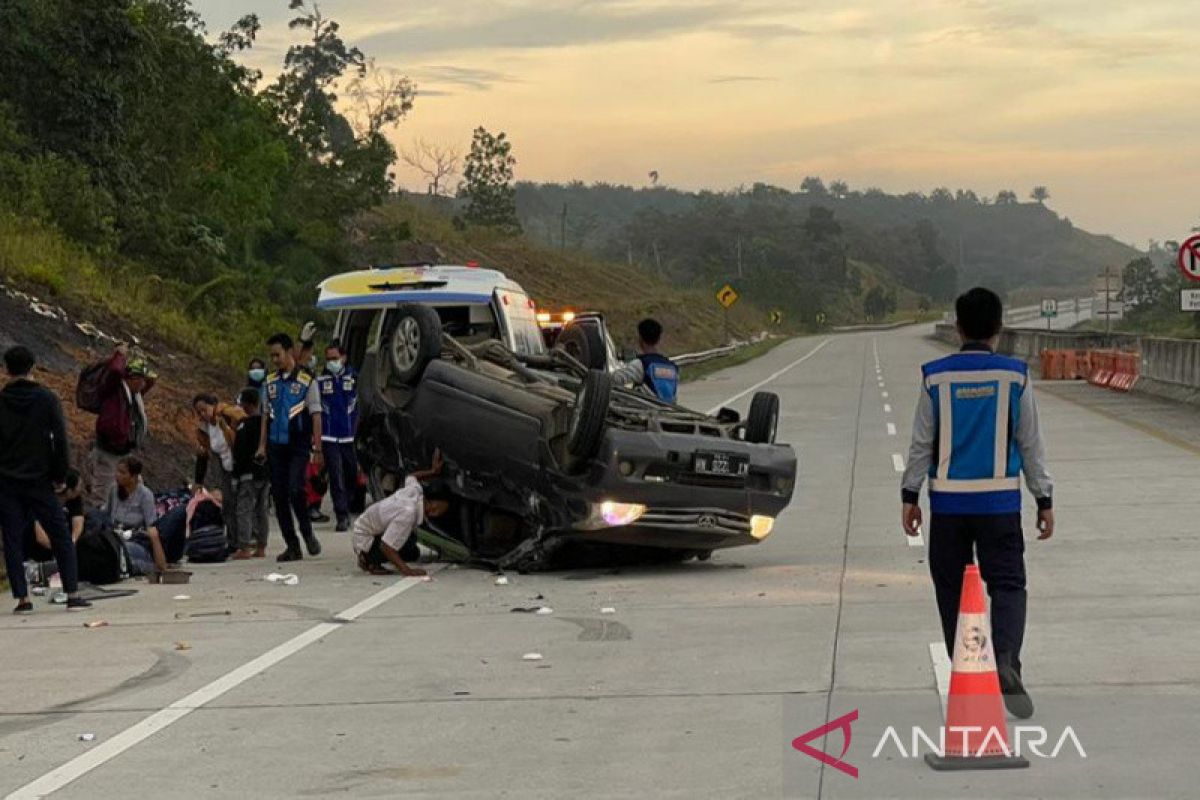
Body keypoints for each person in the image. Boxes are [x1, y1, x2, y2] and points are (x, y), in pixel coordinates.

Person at [901, 287, 1054, 720]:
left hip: (949, 506)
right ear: (998, 328)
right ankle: (1005, 657)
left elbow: (921, 443)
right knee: (1008, 584)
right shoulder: (1015, 376)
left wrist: (910, 495)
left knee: (952, 589)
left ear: (959, 327)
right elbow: (1030, 443)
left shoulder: (935, 377)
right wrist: (1043, 497)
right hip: (999, 504)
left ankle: (970, 670)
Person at [0, 346, 91, 612]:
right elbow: (60, 440)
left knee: (12, 539)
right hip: (40, 479)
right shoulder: (47, 399)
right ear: (32, 367)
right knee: (60, 535)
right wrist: (60, 476)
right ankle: (72, 592)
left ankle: (22, 598)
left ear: (7, 369)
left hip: (6, 480)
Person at [258, 332, 324, 562]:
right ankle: (292, 545)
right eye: (272, 356)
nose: (274, 360)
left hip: (298, 445)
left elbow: (316, 415)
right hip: (276, 446)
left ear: (289, 353)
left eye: (277, 355)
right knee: (279, 495)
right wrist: (262, 446)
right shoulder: (269, 382)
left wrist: (318, 448)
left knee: (296, 489)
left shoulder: (307, 381)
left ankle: (307, 533)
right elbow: (265, 415)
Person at [352, 452, 448, 577]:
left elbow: (411, 477)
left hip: (365, 526)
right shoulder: (408, 513)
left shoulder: (415, 491)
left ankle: (370, 555)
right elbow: (386, 546)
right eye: (439, 511)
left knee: (412, 550)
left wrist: (432, 472)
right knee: (404, 550)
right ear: (433, 507)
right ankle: (369, 560)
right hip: (365, 538)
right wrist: (407, 571)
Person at [93, 344, 155, 498]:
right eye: (141, 380)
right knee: (103, 495)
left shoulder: (134, 395)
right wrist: (120, 354)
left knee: (137, 491)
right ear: (132, 379)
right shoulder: (114, 389)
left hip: (125, 452)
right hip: (108, 452)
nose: (144, 384)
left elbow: (153, 379)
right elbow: (115, 370)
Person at [192, 393, 244, 551]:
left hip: (240, 464)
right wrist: (198, 481)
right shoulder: (204, 429)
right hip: (224, 467)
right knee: (227, 504)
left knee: (242, 504)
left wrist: (225, 414)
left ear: (213, 405)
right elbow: (203, 455)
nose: (202, 414)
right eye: (199, 412)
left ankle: (247, 540)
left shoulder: (226, 415)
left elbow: (242, 418)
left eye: (204, 409)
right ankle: (233, 541)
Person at [317, 339, 359, 531]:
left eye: (334, 358)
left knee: (351, 474)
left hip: (348, 436)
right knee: (336, 475)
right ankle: (341, 515)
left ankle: (348, 504)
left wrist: (356, 430)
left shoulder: (353, 378)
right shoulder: (321, 381)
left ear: (343, 357)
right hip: (329, 436)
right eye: (328, 359)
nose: (331, 362)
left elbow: (358, 406)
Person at [230, 388, 269, 559]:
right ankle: (261, 546)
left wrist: (235, 476)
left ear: (245, 404)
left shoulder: (244, 426)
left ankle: (244, 546)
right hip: (264, 473)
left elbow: (239, 452)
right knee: (262, 510)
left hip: (247, 474)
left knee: (244, 509)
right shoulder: (265, 424)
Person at [612, 318, 679, 403]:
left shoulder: (641, 364)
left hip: (647, 409)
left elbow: (615, 378)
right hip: (670, 409)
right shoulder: (672, 367)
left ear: (640, 339)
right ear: (659, 339)